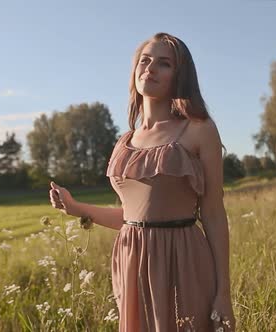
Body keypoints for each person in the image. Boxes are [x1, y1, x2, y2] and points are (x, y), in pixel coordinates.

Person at [49, 32, 235, 332]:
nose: (150, 68)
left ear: (180, 75)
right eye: (144, 61)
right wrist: (74, 207)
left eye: (164, 63)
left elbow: (213, 214)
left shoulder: (199, 129)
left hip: (182, 260)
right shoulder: (125, 141)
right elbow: (133, 218)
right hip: (131, 264)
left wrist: (223, 293)